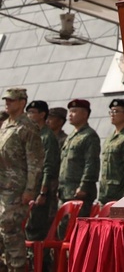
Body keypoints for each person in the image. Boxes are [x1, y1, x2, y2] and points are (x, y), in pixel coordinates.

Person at [0, 88, 43, 272]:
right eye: (6, 100)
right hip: (3, 187)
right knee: (3, 232)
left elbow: (36, 162)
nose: (7, 103)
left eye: (11, 100)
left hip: (16, 189)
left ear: (22, 102)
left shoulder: (27, 127)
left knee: (10, 228)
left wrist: (30, 190)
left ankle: (18, 267)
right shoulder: (7, 125)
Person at [24, 100, 59, 244]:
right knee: (27, 228)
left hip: (41, 190)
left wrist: (43, 192)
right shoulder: (33, 135)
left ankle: (40, 265)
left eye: (32, 113)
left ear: (42, 115)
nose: (29, 116)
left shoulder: (47, 137)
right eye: (28, 113)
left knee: (36, 230)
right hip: (31, 188)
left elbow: (48, 167)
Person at [58, 99, 100, 217]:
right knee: (63, 230)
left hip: (78, 192)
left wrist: (83, 187)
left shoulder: (89, 136)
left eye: (74, 111)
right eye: (69, 111)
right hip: (65, 191)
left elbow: (91, 163)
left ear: (85, 114)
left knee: (76, 228)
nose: (70, 115)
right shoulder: (71, 136)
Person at [98, 98, 124, 203]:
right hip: (104, 193)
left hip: (118, 193)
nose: (112, 114)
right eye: (111, 112)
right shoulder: (109, 138)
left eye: (116, 111)